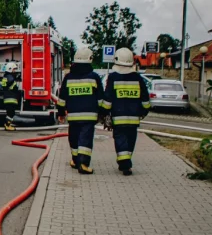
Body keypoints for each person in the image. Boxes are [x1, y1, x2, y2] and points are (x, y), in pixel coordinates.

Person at [101, 48, 150, 176]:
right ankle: (126, 161)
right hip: (134, 118)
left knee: (120, 139)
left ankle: (125, 164)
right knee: (131, 139)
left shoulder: (113, 77)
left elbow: (108, 98)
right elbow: (145, 98)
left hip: (118, 117)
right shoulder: (138, 78)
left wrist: (104, 113)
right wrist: (143, 111)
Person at [55, 46, 103, 174]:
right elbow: (100, 99)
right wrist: (102, 114)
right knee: (85, 139)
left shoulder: (68, 77)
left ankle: (76, 160)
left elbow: (62, 98)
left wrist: (60, 113)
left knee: (74, 138)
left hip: (73, 116)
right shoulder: (94, 77)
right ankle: (83, 164)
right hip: (89, 117)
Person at [0, 62, 21, 131]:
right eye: (13, 69)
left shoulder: (5, 77)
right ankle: (7, 125)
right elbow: (15, 88)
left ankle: (7, 124)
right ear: (10, 69)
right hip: (11, 98)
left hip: (7, 98)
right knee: (11, 113)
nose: (14, 71)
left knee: (9, 112)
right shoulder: (11, 78)